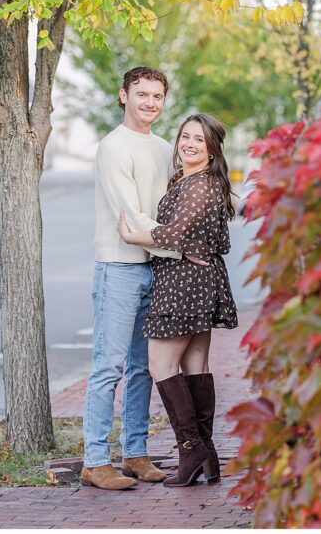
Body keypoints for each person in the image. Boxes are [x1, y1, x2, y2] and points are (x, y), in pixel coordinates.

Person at [118, 113, 238, 487]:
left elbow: (172, 232)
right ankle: (206, 454)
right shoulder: (197, 181)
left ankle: (191, 449)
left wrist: (133, 236)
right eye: (185, 136)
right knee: (195, 362)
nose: (189, 144)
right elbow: (198, 237)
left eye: (199, 140)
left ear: (212, 148)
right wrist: (188, 246)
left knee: (161, 365)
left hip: (182, 285)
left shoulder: (198, 186)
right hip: (199, 280)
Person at [81, 66, 178, 490]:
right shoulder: (113, 147)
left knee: (143, 368)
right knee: (108, 367)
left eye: (157, 96)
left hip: (155, 268)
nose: (150, 103)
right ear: (124, 96)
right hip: (119, 268)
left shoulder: (163, 148)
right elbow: (132, 215)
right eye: (141, 94)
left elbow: (187, 194)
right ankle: (95, 460)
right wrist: (179, 247)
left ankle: (135, 454)